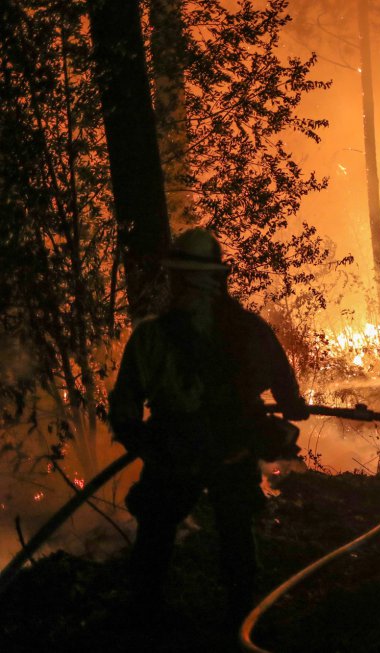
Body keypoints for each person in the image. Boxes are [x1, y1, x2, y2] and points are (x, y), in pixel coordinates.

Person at [109, 228, 309, 625]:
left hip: (176, 451)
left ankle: (146, 613)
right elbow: (288, 395)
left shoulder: (151, 337)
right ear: (219, 277)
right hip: (229, 446)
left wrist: (149, 445)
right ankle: (241, 610)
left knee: (158, 529)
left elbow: (125, 410)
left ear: (177, 278)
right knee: (234, 527)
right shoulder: (250, 330)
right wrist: (288, 408)